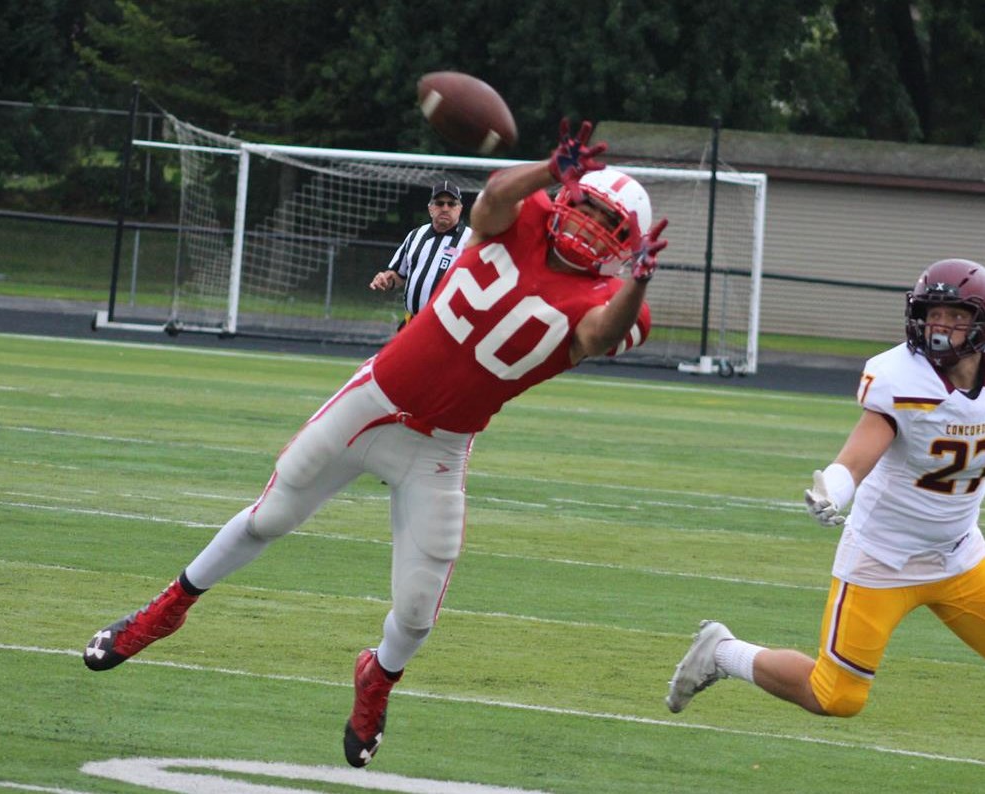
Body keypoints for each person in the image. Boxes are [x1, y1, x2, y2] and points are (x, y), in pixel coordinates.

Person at [84, 119, 668, 768]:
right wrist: (548, 166)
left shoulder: (616, 300)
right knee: (270, 515)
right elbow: (492, 199)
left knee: (417, 614)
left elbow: (591, 337)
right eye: (582, 204)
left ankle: (376, 677)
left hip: (441, 448)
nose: (586, 224)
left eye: (604, 222)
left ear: (625, 246)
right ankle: (165, 610)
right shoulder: (523, 213)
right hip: (374, 403)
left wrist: (639, 280)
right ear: (563, 195)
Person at [666, 257, 985, 720]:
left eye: (956, 316)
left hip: (959, 554)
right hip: (884, 559)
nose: (940, 326)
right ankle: (723, 652)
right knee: (836, 697)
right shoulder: (901, 376)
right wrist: (832, 490)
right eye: (933, 314)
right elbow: (856, 457)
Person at [370, 180, 474, 327]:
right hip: (413, 323)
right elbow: (398, 275)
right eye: (439, 203)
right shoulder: (416, 235)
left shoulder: (472, 240)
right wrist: (385, 279)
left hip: (448, 328)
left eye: (451, 204)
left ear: (460, 209)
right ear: (430, 208)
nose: (445, 208)